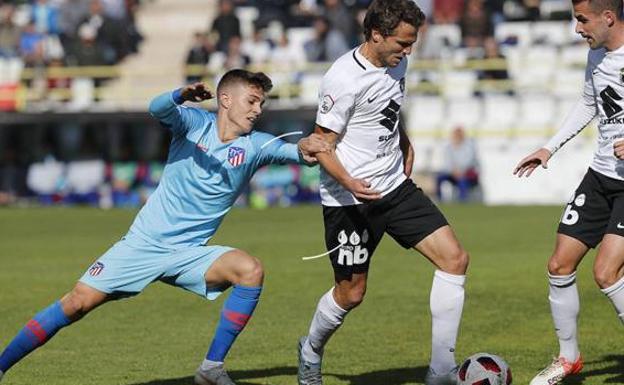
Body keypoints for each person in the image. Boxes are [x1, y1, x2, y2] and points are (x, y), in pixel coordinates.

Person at [0, 69, 328, 385]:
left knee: (250, 270)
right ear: (226, 99)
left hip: (188, 254)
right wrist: (181, 95)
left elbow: (295, 150)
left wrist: (309, 148)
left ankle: (211, 369)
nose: (258, 110)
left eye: (261, 104)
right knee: (75, 303)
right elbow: (156, 108)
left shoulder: (257, 145)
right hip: (143, 245)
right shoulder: (193, 122)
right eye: (252, 101)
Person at [296, 1, 469, 385]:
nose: (408, 52)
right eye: (403, 43)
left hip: (395, 186)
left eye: (412, 43)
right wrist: (349, 182)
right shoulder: (342, 79)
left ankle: (440, 371)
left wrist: (404, 140)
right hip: (349, 200)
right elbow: (322, 144)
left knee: (454, 259)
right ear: (376, 34)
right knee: (352, 293)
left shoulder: (396, 62)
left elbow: (385, 108)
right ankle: (310, 350)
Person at [513, 1, 624, 384]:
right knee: (559, 264)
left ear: (608, 17)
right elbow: (590, 103)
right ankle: (569, 359)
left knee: (607, 273)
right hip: (601, 175)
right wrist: (550, 147)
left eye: (582, 19)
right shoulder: (597, 55)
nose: (577, 28)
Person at [436, 126, 479, 202]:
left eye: (459, 134)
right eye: (455, 134)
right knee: (439, 178)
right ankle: (440, 200)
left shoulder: (469, 146)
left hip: (466, 173)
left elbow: (470, 161)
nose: (457, 137)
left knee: (462, 180)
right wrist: (453, 171)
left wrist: (461, 170)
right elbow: (447, 163)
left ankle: (462, 202)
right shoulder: (448, 147)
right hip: (452, 173)